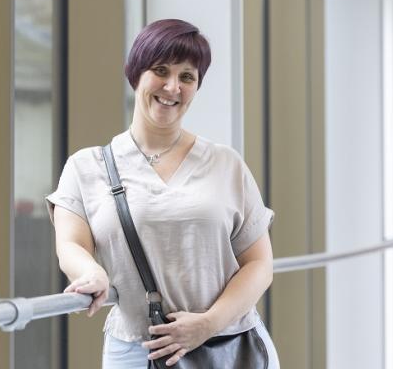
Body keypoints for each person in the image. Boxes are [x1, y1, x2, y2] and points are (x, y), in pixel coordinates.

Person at [46, 19, 279, 368]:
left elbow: (259, 264)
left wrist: (207, 324)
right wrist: (91, 273)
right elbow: (71, 244)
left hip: (230, 347)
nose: (172, 87)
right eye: (161, 70)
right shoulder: (87, 167)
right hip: (136, 351)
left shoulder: (225, 164)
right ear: (136, 74)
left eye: (187, 77)